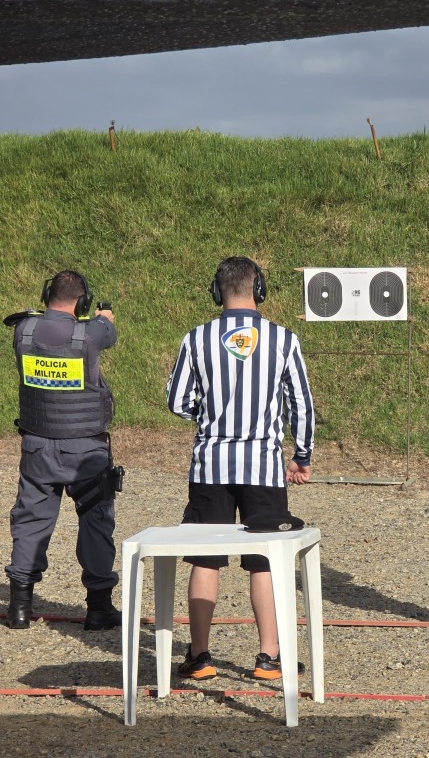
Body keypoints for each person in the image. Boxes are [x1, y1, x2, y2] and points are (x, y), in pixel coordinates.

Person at [166, 255, 315, 681]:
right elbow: (301, 404)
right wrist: (302, 455)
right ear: (259, 289)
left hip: (210, 465)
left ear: (217, 292)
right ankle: (269, 657)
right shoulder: (283, 339)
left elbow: (177, 401)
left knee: (205, 561)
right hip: (263, 466)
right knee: (265, 561)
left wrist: (210, 417)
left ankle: (200, 656)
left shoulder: (196, 338)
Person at [4, 270, 122, 631]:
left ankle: (19, 608)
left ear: (46, 296)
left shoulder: (23, 331)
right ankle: (98, 607)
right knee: (95, 521)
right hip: (85, 450)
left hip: (37, 446)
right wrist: (103, 316)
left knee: (31, 520)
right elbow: (108, 330)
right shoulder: (90, 334)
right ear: (82, 302)